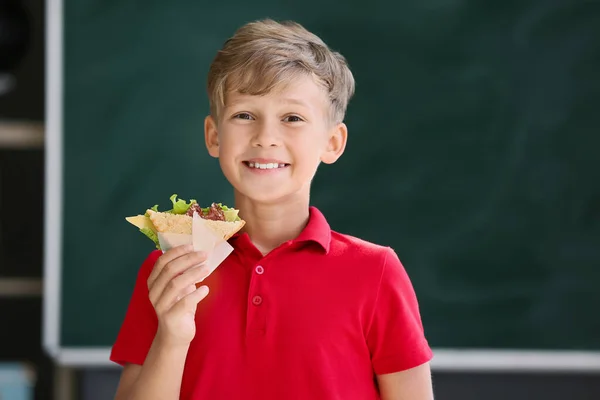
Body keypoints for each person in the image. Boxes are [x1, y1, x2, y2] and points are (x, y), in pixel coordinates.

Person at [111, 18, 434, 400]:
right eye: (245, 115)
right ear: (214, 136)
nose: (265, 137)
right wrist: (172, 336)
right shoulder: (172, 266)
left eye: (292, 118)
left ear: (332, 142)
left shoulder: (376, 272)